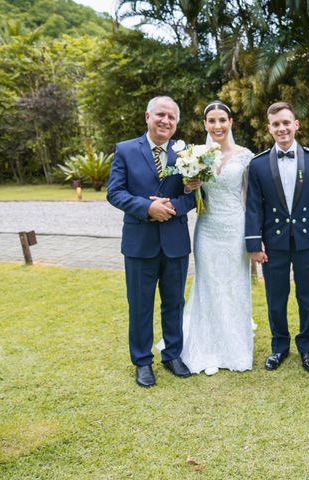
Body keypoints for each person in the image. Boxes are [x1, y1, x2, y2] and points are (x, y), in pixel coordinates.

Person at [107, 96, 199, 388]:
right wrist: (146, 208)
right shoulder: (125, 150)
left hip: (175, 241)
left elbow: (193, 195)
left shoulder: (186, 153)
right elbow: (115, 192)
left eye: (172, 117)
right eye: (161, 114)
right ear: (148, 116)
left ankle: (172, 355)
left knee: (174, 302)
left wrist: (171, 207)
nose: (166, 121)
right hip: (139, 243)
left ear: (176, 123)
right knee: (140, 305)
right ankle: (142, 362)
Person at [245, 101, 309, 372]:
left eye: (286, 122)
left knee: (307, 296)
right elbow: (253, 206)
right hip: (273, 243)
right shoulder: (257, 164)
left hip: (307, 241)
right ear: (269, 128)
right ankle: (279, 347)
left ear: (296, 124)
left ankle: (307, 349)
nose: (281, 128)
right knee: (276, 297)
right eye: (276, 124)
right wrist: (253, 242)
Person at [178, 100, 255, 375]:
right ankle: (207, 347)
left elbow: (249, 197)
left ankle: (235, 349)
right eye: (212, 121)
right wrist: (189, 186)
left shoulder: (246, 156)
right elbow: (189, 193)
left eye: (222, 120)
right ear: (205, 125)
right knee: (208, 286)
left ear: (231, 122)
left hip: (235, 227)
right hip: (207, 229)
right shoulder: (195, 155)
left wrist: (253, 236)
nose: (217, 125)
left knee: (234, 286)